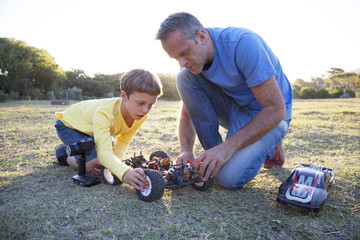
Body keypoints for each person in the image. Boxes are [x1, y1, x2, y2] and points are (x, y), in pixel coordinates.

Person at [156, 12, 293, 190]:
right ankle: (217, 156)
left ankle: (269, 146)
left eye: (184, 53)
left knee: (227, 178)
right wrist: (186, 150)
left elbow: (275, 109)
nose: (182, 63)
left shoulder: (244, 44)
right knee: (183, 77)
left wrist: (227, 148)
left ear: (202, 36)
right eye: (176, 58)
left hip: (270, 115)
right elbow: (187, 115)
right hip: (234, 107)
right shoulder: (193, 66)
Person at [54, 69, 162, 191]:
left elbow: (123, 141)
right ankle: (64, 154)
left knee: (104, 162)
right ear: (124, 96)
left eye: (151, 105)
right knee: (94, 163)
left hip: (92, 130)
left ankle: (84, 151)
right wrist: (124, 173)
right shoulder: (105, 113)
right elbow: (104, 153)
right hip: (69, 125)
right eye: (141, 103)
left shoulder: (140, 116)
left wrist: (114, 167)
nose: (145, 110)